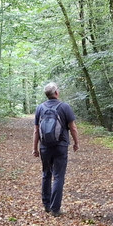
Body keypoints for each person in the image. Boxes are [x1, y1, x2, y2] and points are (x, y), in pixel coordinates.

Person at [32, 82, 80, 216]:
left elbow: (36, 131)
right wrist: (76, 143)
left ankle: (46, 205)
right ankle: (55, 209)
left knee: (46, 174)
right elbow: (73, 127)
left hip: (45, 147)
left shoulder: (40, 108)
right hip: (61, 146)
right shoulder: (64, 107)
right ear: (56, 93)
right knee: (58, 177)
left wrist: (35, 148)